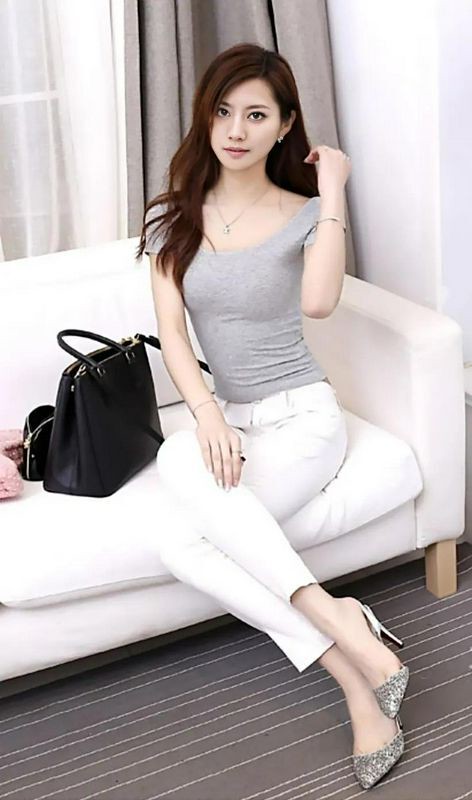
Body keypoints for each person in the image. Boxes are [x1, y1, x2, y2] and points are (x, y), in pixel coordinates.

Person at [136, 43, 408, 790]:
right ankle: (351, 662)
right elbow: (173, 335)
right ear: (205, 117)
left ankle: (350, 649)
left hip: (304, 420)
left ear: (286, 125)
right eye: (224, 111)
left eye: (257, 115)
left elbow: (318, 302)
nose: (236, 129)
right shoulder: (173, 219)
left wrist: (335, 188)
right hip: (231, 420)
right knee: (178, 505)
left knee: (191, 531)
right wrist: (206, 416)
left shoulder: (306, 215)